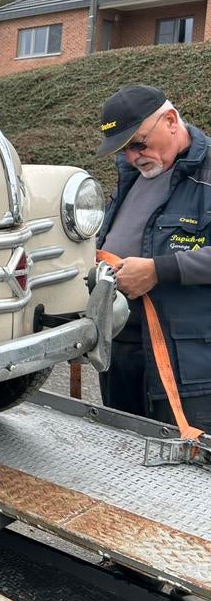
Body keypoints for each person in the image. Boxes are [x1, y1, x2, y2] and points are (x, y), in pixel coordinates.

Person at [95, 85, 211, 434]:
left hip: (186, 366)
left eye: (138, 143)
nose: (132, 156)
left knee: (183, 474)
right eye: (123, 149)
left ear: (171, 121)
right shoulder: (133, 175)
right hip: (121, 352)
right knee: (122, 454)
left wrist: (159, 270)